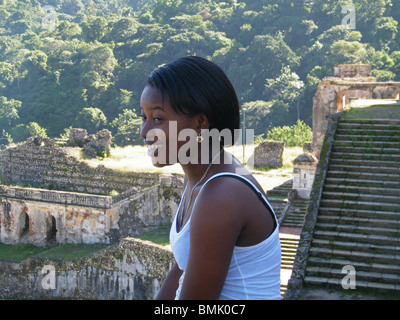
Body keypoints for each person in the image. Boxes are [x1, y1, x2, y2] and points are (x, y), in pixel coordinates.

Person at [139, 56, 281, 300]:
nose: (144, 132)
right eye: (144, 117)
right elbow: (184, 266)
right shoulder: (200, 176)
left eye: (158, 119)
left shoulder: (222, 194)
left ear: (200, 123)